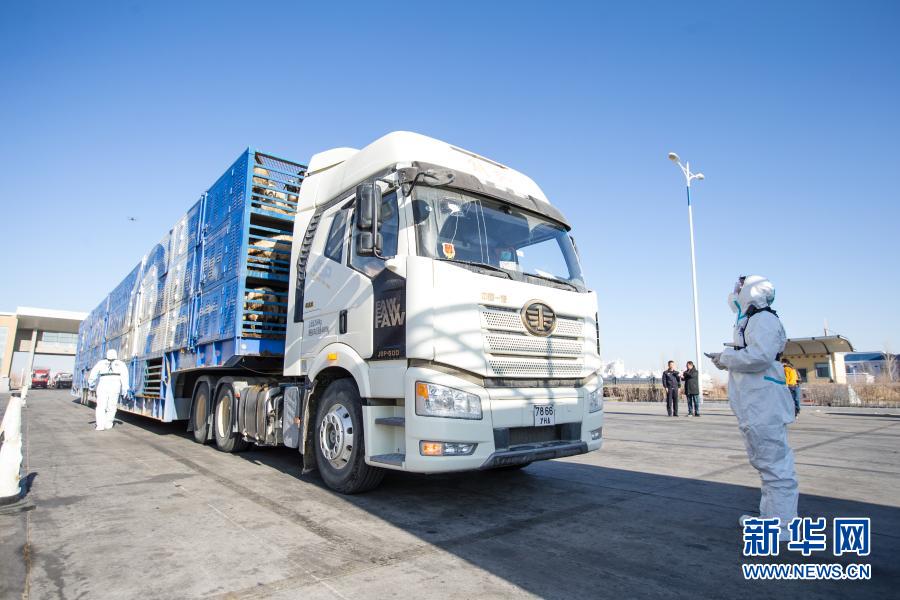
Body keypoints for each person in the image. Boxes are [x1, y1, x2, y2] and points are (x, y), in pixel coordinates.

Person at [708, 275, 798, 541]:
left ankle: (783, 526)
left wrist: (725, 358)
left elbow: (760, 356)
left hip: (764, 404)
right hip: (756, 404)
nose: (735, 291)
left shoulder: (764, 319)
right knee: (765, 463)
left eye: (740, 287)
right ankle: (770, 518)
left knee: (775, 465)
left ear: (752, 290)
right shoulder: (750, 320)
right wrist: (726, 358)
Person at [88, 349, 129, 431]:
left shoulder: (101, 363)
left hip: (103, 385)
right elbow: (125, 377)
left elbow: (93, 373)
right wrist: (125, 388)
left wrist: (91, 384)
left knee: (101, 406)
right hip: (115, 386)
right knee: (112, 407)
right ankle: (108, 424)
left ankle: (100, 425)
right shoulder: (121, 364)